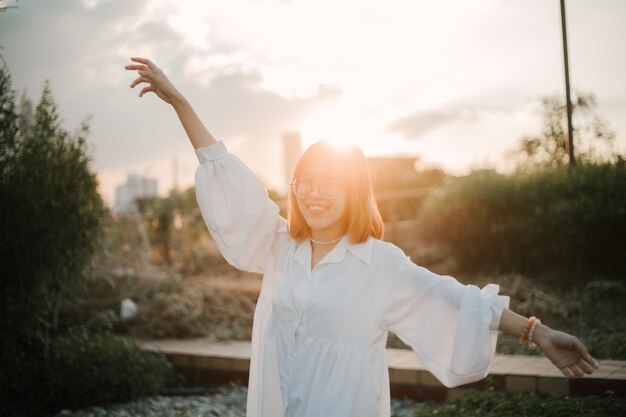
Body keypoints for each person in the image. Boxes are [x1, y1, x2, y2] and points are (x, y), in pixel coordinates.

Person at [125, 57, 599, 417]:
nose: (315, 193)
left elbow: (456, 299)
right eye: (306, 181)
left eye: (330, 182)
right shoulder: (280, 247)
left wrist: (537, 332)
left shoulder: (379, 264)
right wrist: (182, 103)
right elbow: (226, 173)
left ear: (354, 191)